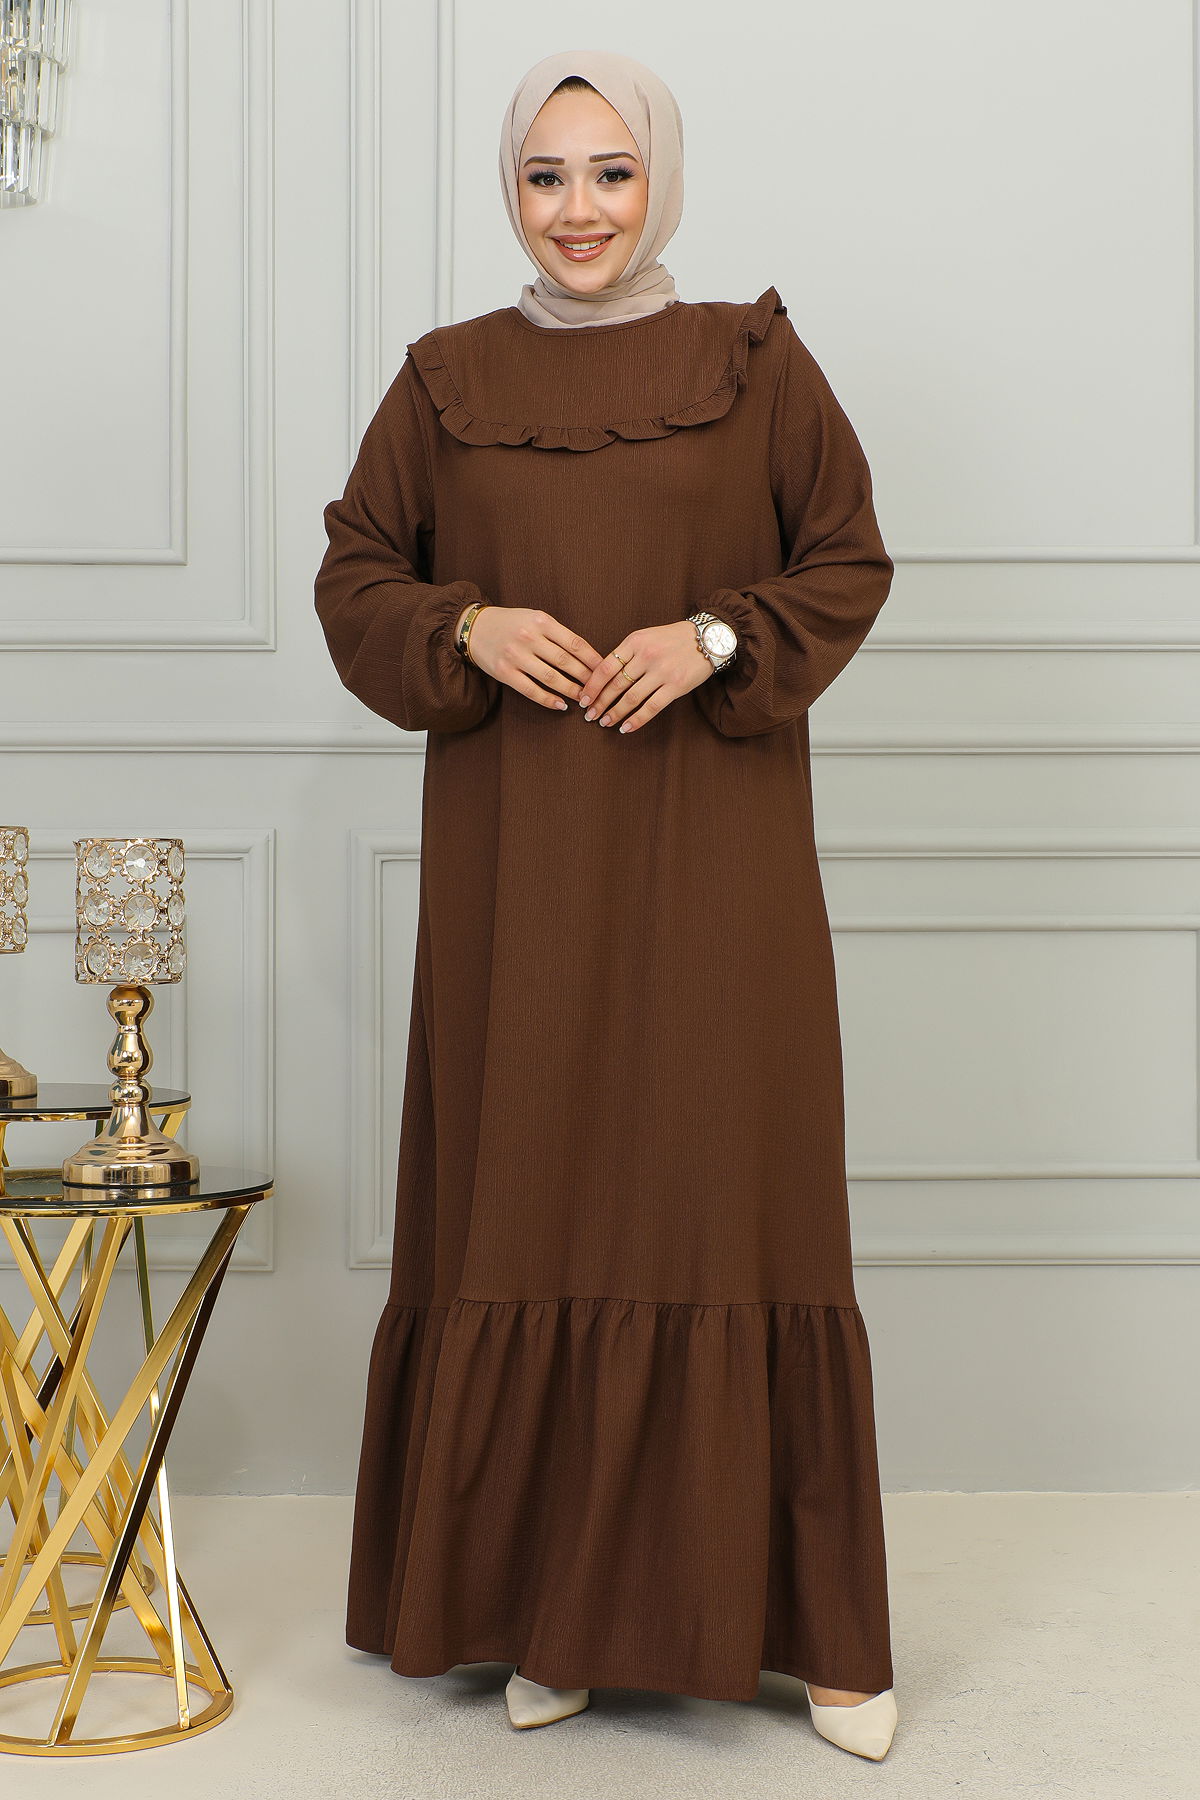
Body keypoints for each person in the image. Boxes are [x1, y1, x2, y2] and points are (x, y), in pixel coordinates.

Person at [314, 46, 899, 1763]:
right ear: (512, 189)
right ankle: (549, 1615)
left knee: (735, 1198)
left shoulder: (756, 365)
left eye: (612, 172)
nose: (578, 210)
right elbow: (357, 574)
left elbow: (845, 557)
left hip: (719, 865)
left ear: (662, 179)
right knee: (540, 1199)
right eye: (545, 175)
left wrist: (716, 635)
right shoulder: (444, 383)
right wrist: (465, 625)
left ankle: (824, 1638)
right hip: (523, 879)